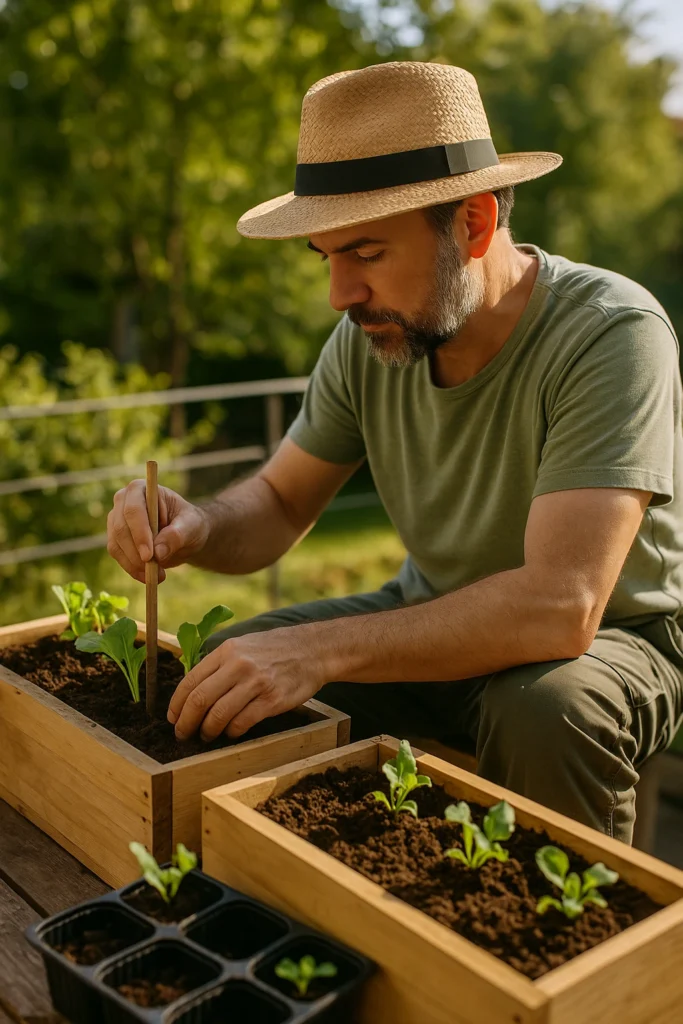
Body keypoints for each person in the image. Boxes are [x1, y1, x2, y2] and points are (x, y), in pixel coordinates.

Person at [107, 62, 683, 844]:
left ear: (472, 223)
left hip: (613, 641)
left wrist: (317, 651)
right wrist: (197, 525)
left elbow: (561, 608)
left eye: (367, 252)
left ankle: (581, 920)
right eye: (326, 257)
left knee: (545, 711)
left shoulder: (610, 333)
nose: (339, 294)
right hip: (431, 613)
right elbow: (278, 503)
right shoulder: (369, 339)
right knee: (229, 671)